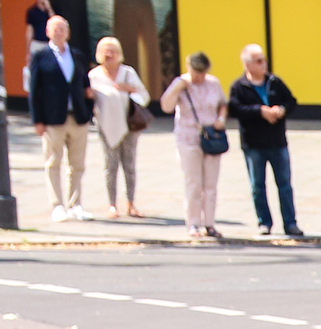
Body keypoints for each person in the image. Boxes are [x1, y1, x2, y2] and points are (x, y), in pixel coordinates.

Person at [228, 44, 301, 238]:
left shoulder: (274, 82)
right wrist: (260, 111)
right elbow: (235, 109)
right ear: (247, 64)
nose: (263, 64)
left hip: (277, 142)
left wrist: (282, 110)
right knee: (257, 186)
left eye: (264, 60)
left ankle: (290, 223)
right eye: (258, 61)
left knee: (284, 184)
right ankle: (264, 222)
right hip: (253, 144)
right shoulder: (239, 86)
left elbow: (291, 101)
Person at [28, 17, 96, 222]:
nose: (59, 32)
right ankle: (57, 205)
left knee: (77, 164)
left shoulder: (76, 55)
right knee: (53, 163)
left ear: (68, 32)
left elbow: (86, 86)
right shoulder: (41, 56)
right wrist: (37, 120)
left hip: (77, 117)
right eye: (55, 29)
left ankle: (75, 204)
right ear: (48, 32)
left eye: (63, 29)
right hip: (52, 119)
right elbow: (34, 91)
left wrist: (88, 110)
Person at [161, 50, 227, 238]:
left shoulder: (213, 83)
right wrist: (177, 87)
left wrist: (221, 118)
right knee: (193, 182)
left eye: (203, 73)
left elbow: (222, 102)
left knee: (211, 183)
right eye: (196, 73)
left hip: (211, 136)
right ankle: (193, 223)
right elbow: (166, 106)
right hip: (188, 137)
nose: (200, 77)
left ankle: (210, 224)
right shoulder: (181, 84)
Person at [88, 34, 149, 219]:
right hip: (106, 127)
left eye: (113, 51)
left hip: (130, 127)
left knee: (129, 166)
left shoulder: (128, 73)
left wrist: (130, 89)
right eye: (106, 51)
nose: (110, 55)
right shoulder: (94, 75)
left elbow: (144, 96)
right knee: (110, 166)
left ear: (119, 54)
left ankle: (131, 203)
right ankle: (112, 205)